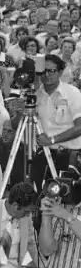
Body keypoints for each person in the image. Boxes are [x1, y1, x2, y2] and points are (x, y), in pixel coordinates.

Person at [33, 54, 81, 189]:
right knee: (39, 196)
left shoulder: (72, 93)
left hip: (69, 155)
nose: (47, 75)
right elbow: (17, 125)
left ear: (60, 72)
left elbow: (79, 127)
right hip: (44, 154)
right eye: (43, 71)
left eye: (52, 71)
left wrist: (52, 140)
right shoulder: (35, 95)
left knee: (66, 198)